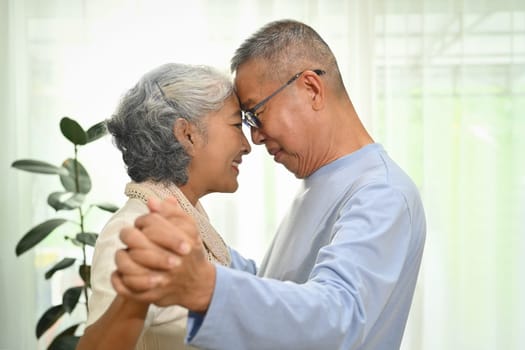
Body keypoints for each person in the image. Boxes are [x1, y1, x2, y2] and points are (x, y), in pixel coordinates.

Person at [112, 19, 427, 350]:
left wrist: (209, 286)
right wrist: (206, 250)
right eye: (247, 121)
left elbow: (338, 318)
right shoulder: (323, 182)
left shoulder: (381, 193)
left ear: (311, 88)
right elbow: (276, 285)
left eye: (256, 113)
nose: (255, 137)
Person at [75, 62, 251, 350]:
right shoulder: (133, 230)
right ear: (187, 134)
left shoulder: (189, 219)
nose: (247, 145)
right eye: (235, 125)